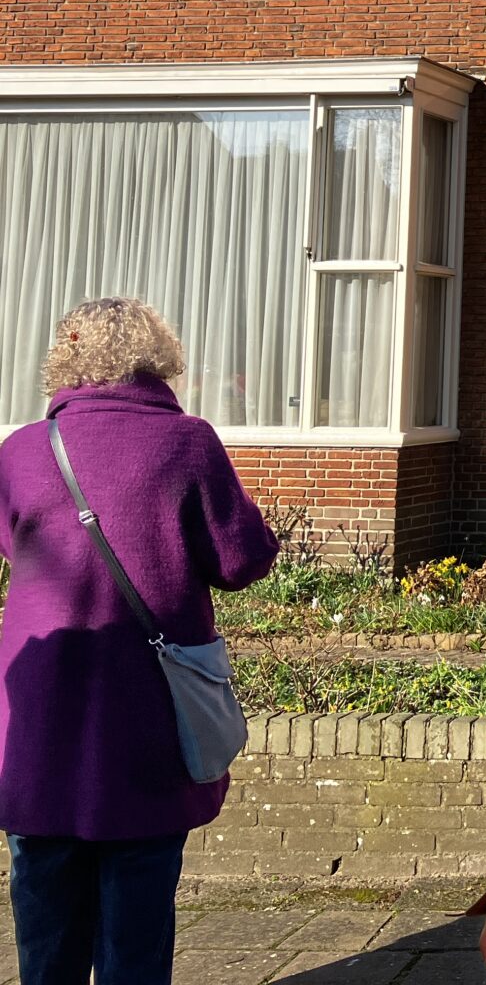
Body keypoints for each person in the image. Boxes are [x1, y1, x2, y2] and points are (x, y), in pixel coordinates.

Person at [0, 298, 279, 985]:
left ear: (64, 359)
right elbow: (242, 561)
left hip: (38, 727)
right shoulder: (187, 444)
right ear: (158, 357)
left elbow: (11, 544)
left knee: (45, 938)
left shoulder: (20, 452)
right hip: (147, 724)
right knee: (137, 938)